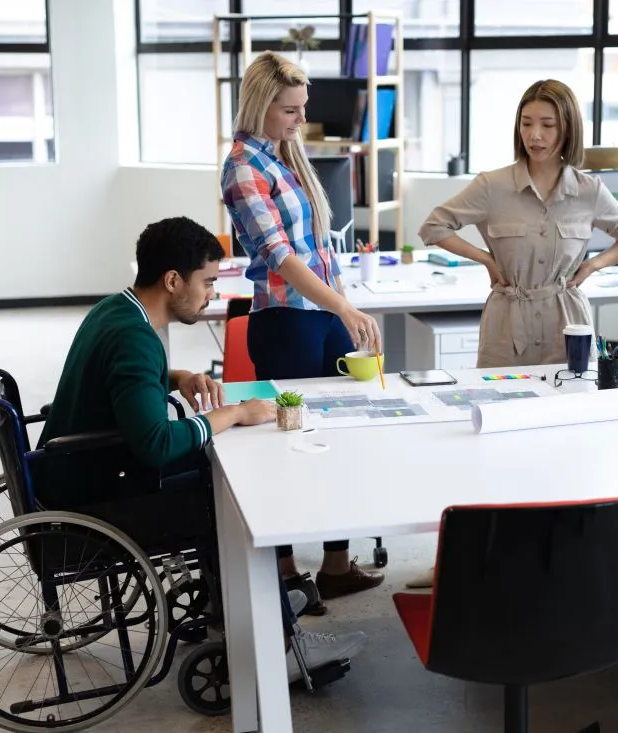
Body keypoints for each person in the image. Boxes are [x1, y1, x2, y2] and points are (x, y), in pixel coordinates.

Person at [36, 216, 366, 682]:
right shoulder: (136, 338)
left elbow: (121, 382)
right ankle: (282, 645)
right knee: (232, 497)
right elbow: (155, 444)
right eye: (208, 281)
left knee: (217, 475)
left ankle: (258, 600)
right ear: (173, 280)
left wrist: (177, 378)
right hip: (96, 495)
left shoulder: (118, 309)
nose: (212, 293)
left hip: (75, 470)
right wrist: (230, 415)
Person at [221, 51, 384, 603]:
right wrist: (344, 307)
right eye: (289, 110)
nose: (299, 119)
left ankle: (336, 564)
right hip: (287, 321)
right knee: (287, 448)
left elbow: (319, 248)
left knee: (336, 432)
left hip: (323, 313)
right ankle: (286, 571)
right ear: (261, 106)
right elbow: (282, 257)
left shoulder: (288, 157)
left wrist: (344, 304)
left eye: (302, 108)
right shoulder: (244, 166)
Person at [418, 78, 618, 368]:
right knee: (499, 407)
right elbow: (433, 228)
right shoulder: (492, 185)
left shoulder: (590, 190)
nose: (534, 135)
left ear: (567, 128)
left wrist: (591, 265)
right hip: (507, 326)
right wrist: (486, 260)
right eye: (526, 124)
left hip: (568, 324)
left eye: (547, 125)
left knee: (570, 404)